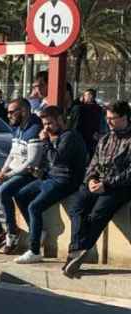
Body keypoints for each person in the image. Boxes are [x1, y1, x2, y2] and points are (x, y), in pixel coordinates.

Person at [63, 101, 131, 277]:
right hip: (98, 182)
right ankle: (77, 250)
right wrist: (92, 179)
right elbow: (93, 163)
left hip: (120, 187)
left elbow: (129, 173)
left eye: (112, 119)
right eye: (107, 118)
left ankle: (77, 251)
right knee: (76, 206)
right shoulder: (105, 139)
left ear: (124, 118)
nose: (108, 122)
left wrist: (107, 184)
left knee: (98, 213)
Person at [14, 106, 88, 264]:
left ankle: (34, 251)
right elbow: (51, 163)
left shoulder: (70, 136)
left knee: (35, 207)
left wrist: (45, 142)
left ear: (60, 120)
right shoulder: (57, 136)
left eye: (50, 123)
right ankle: (37, 231)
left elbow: (57, 159)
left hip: (65, 182)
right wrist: (39, 170)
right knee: (20, 195)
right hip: (50, 178)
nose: (46, 127)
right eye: (44, 124)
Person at [0, 98, 43, 255]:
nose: (8, 115)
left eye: (11, 112)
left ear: (23, 111)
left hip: (28, 174)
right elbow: (13, 154)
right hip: (12, 172)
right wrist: (3, 171)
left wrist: (7, 176)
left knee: (3, 191)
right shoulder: (17, 128)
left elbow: (31, 162)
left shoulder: (34, 129)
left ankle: (12, 233)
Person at [70, 89, 104, 157]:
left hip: (82, 136)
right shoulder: (98, 109)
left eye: (85, 95)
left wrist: (78, 101)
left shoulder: (79, 108)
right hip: (92, 136)